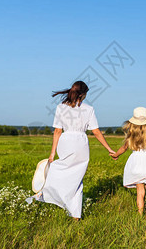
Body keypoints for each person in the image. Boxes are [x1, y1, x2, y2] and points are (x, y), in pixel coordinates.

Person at [27, 81, 115, 219]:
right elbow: (96, 132)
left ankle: (45, 190)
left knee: (58, 167)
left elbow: (57, 131)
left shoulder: (61, 107)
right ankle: (75, 214)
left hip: (66, 140)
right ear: (83, 94)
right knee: (77, 179)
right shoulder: (89, 109)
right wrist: (109, 149)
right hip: (81, 142)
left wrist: (52, 153)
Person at [110, 107, 146, 214]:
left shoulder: (131, 134)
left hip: (135, 164)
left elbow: (123, 148)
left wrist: (115, 155)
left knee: (139, 192)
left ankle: (140, 215)